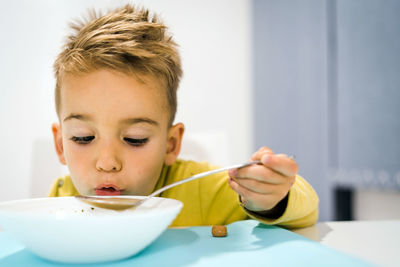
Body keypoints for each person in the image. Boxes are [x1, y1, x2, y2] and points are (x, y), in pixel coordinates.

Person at [49, 4, 318, 228]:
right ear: (61, 144)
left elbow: (307, 209)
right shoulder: (59, 198)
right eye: (83, 138)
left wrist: (270, 198)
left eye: (135, 139)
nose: (107, 163)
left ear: (171, 144)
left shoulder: (200, 191)